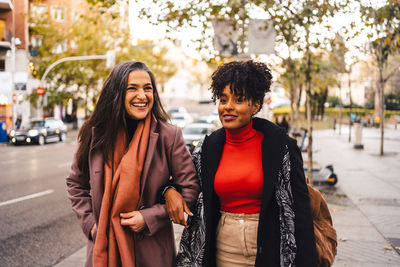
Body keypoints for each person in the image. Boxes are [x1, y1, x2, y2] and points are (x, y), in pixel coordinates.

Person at [163, 60, 317, 266]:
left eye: (239, 100)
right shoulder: (208, 148)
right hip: (224, 248)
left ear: (255, 105)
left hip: (272, 247)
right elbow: (184, 181)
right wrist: (169, 191)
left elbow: (301, 212)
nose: (228, 107)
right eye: (223, 99)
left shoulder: (281, 147)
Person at [66, 61, 199, 267]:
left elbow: (190, 190)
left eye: (148, 88)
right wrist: (92, 227)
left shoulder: (169, 136)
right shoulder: (95, 134)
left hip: (152, 252)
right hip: (104, 249)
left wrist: (149, 217)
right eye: (132, 88)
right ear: (116, 94)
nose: (142, 96)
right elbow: (76, 184)